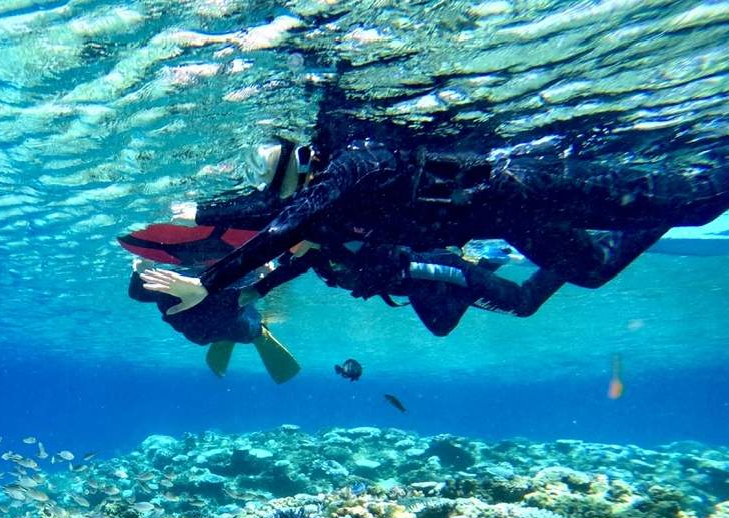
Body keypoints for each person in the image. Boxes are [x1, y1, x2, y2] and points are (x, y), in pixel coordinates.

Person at [138, 133, 729, 332]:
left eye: (272, 169)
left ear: (303, 153)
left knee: (700, 201)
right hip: (508, 219)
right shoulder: (319, 211)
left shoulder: (353, 162)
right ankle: (653, 202)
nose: (270, 189)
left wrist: (212, 283)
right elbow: (275, 219)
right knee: (594, 269)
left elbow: (285, 220)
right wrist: (196, 213)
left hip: (522, 187)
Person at [127, 257, 301, 383]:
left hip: (201, 332)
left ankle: (247, 332)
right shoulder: (225, 293)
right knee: (245, 313)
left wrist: (142, 268)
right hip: (225, 322)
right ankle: (257, 332)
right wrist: (267, 275)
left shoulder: (168, 285)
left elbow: (137, 293)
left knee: (241, 309)